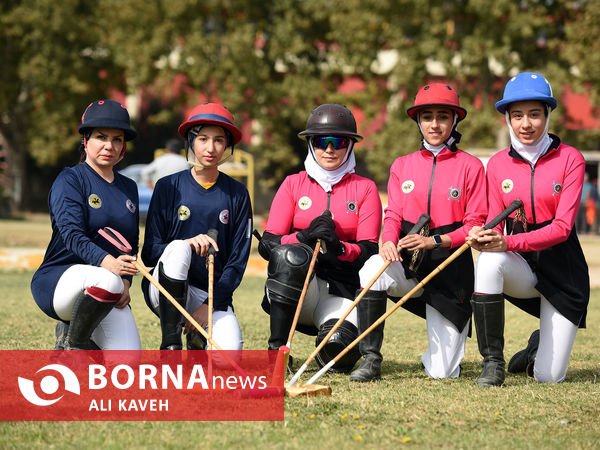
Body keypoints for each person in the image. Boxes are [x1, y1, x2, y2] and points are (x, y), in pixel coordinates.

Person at [351, 84, 487, 382]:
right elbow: (394, 214)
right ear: (418, 121)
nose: (434, 124)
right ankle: (370, 358)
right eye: (427, 117)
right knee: (373, 268)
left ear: (454, 120)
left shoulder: (472, 166)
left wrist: (434, 241)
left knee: (443, 373)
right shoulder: (402, 165)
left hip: (450, 272)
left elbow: (474, 225)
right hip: (408, 267)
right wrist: (387, 240)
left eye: (442, 116)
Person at [468, 72, 590, 386]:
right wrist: (484, 237)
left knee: (548, 377)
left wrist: (507, 242)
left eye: (535, 114)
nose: (526, 124)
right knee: (489, 261)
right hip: (522, 266)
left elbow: (562, 228)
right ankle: (492, 362)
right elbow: (496, 221)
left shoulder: (571, 159)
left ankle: (536, 347)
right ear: (507, 118)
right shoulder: (496, 165)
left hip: (563, 270)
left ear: (548, 114)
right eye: (518, 115)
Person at [258, 104, 382, 373]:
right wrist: (302, 236)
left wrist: (339, 247)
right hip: (300, 292)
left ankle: (327, 342)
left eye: (337, 141)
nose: (329, 149)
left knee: (337, 354)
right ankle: (276, 355)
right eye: (320, 141)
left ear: (349, 145)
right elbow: (267, 245)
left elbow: (370, 250)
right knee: (290, 255)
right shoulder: (293, 184)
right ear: (311, 144)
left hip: (341, 292)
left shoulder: (365, 188)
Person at [31, 99, 141, 350]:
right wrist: (110, 266)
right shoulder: (70, 179)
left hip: (108, 285)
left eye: (117, 139)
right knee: (108, 280)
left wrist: (126, 282)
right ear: (86, 140)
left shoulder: (129, 187)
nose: (109, 146)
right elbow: (71, 234)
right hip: (59, 280)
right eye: (101, 137)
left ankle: (78, 332)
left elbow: (129, 245)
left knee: (127, 361)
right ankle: (72, 345)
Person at [141, 103, 252, 351]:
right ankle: (170, 345)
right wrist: (186, 243)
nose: (210, 148)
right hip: (165, 289)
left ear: (227, 145)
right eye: (203, 139)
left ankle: (197, 337)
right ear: (191, 141)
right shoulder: (167, 186)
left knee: (228, 358)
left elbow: (237, 262)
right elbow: (149, 253)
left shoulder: (238, 193)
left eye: (218, 140)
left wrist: (209, 306)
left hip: (209, 295)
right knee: (180, 249)